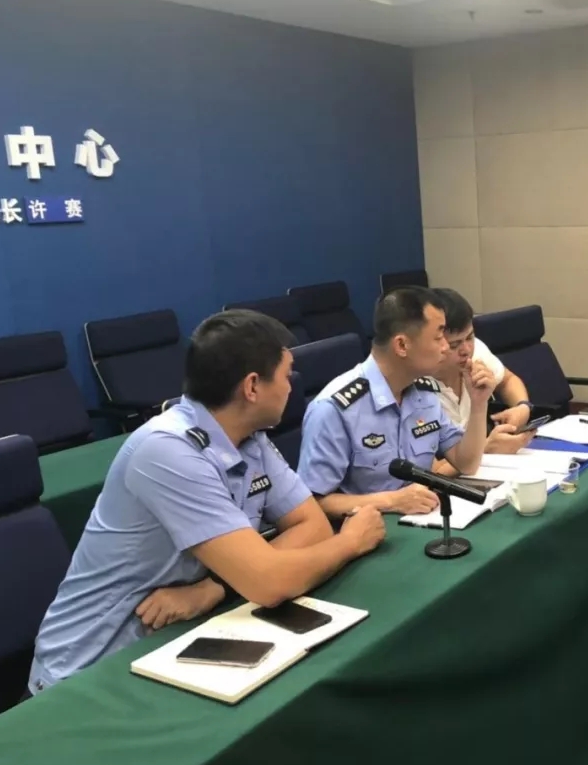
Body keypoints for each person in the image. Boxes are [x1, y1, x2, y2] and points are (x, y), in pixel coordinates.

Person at [28, 310, 385, 694]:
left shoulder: (250, 438)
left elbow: (311, 527)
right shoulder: (168, 450)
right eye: (285, 375)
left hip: (176, 642)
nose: (290, 387)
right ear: (252, 387)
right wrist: (350, 542)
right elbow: (270, 583)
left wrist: (213, 588)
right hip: (89, 669)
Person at [298, 286, 493, 517]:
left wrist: (479, 404)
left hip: (424, 518)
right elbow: (314, 503)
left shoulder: (424, 393)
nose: (445, 347)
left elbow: (466, 463)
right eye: (439, 337)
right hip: (371, 531)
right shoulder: (334, 409)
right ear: (402, 345)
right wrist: (391, 501)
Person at [426, 288, 536, 467]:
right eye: (454, 345)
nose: (466, 350)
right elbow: (428, 472)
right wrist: (486, 449)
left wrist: (522, 407)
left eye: (470, 337)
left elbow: (508, 380)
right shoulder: (414, 383)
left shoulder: (476, 351)